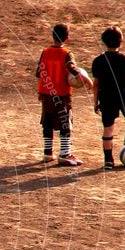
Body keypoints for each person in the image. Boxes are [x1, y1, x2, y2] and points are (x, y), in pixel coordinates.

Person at [35, 23, 89, 166]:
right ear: (67, 38)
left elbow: (38, 73)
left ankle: (47, 153)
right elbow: (71, 68)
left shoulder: (45, 52)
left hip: (46, 93)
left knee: (47, 122)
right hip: (61, 95)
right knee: (65, 123)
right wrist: (86, 80)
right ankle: (65, 154)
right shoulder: (66, 53)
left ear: (52, 36)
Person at [91, 25, 125, 170]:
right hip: (122, 94)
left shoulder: (98, 61)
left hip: (106, 97)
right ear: (121, 41)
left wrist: (95, 102)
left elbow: (96, 84)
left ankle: (108, 161)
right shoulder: (124, 60)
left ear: (104, 41)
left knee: (108, 130)